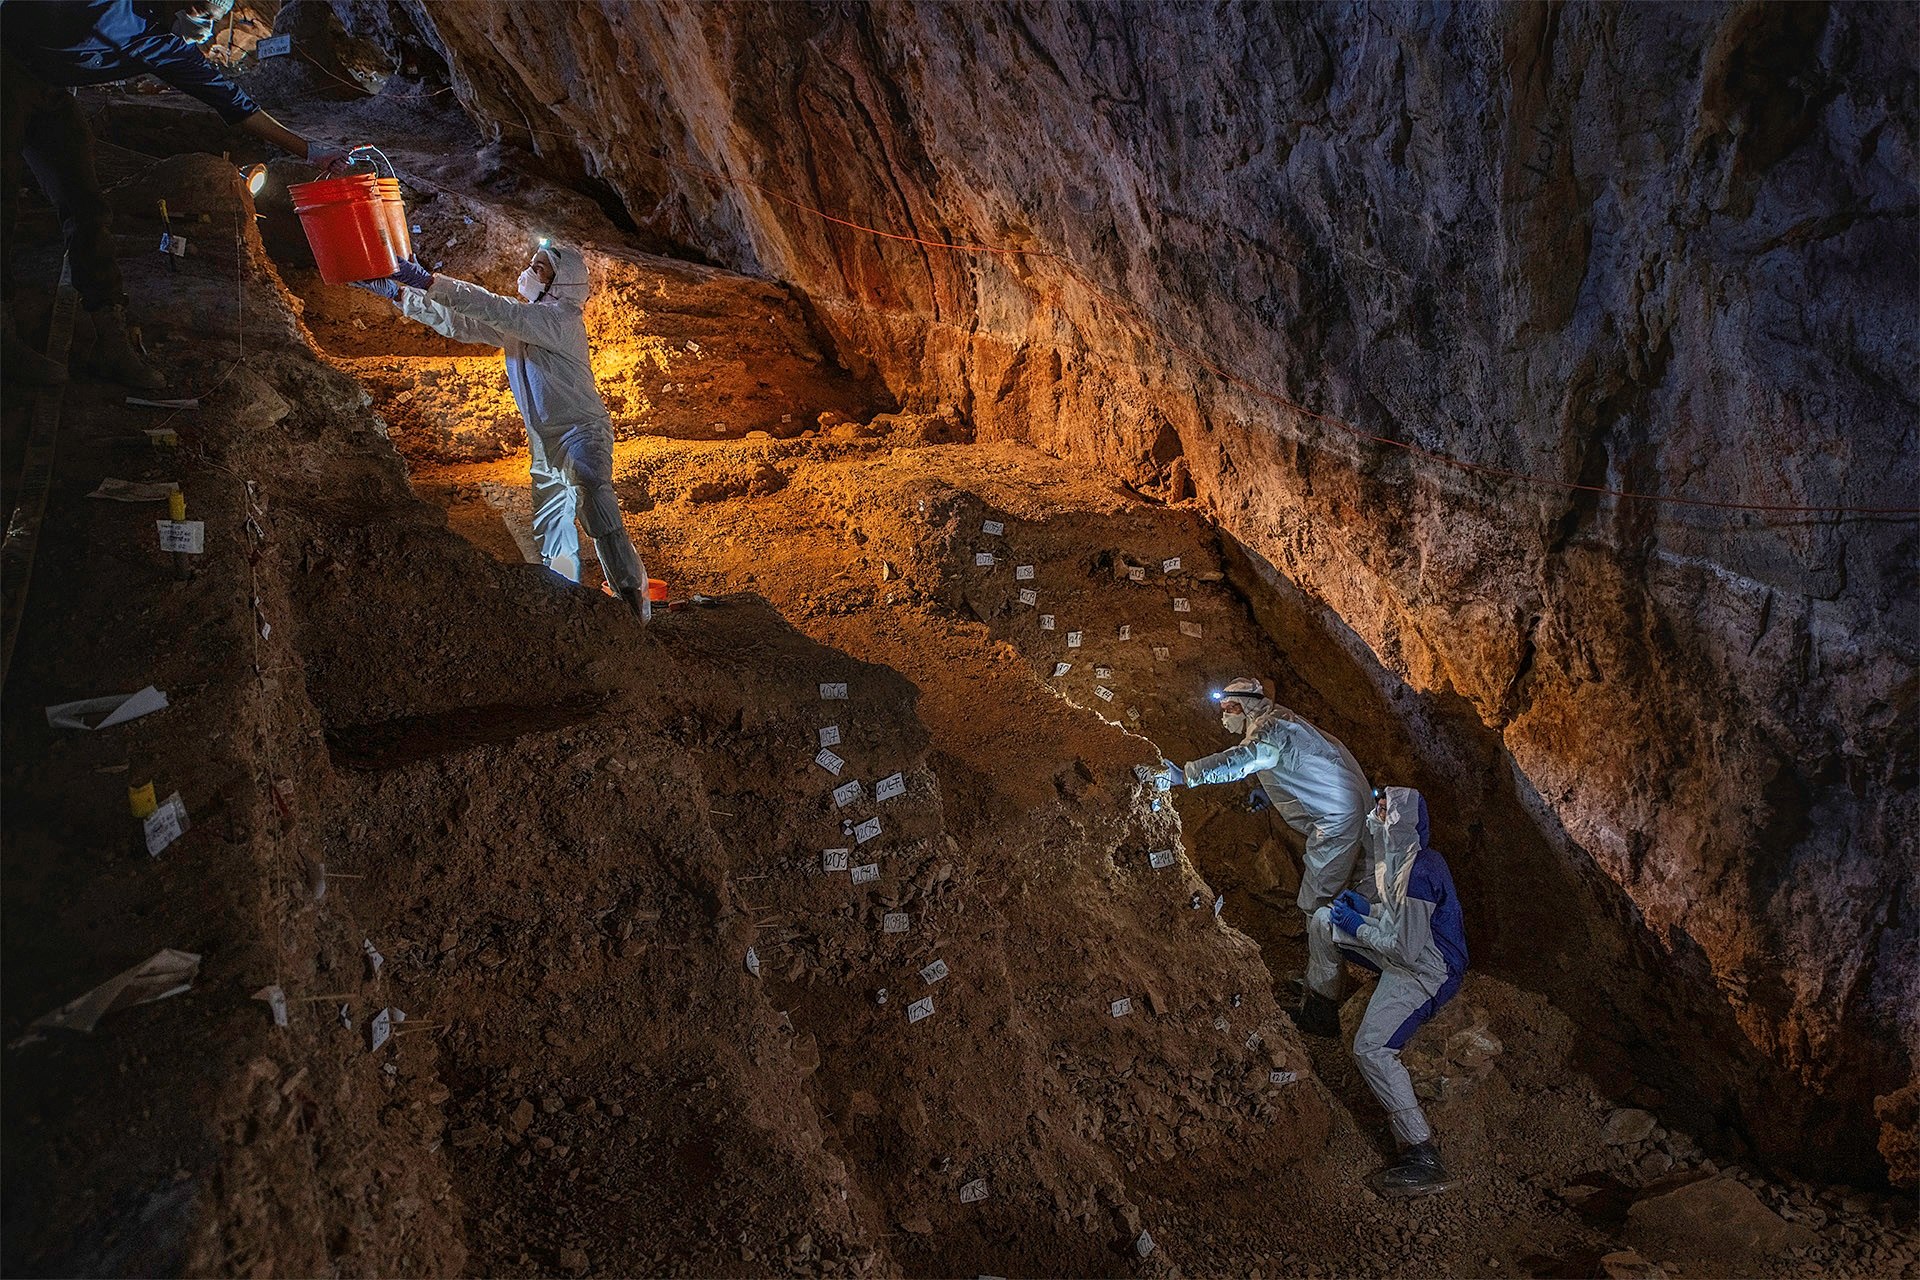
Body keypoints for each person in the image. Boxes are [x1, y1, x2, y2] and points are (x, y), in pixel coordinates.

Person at [1, 0, 353, 387]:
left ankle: (111, 339)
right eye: (204, 18)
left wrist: (310, 150)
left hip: (51, 89)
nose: (208, 30)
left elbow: (230, 99)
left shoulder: (164, 45)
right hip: (7, 68)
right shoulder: (107, 6)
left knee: (87, 206)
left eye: (216, 20)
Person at [360, 244, 653, 619]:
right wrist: (403, 295)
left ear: (562, 282)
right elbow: (463, 323)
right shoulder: (528, 322)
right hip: (546, 441)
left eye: (540, 269)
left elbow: (493, 308)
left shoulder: (559, 319)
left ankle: (632, 601)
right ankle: (564, 602)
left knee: (597, 506)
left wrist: (427, 281)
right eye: (532, 265)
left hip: (581, 433)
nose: (530, 272)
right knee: (552, 526)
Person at [1300, 784, 1467, 1196]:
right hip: (1406, 948)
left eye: (1384, 809)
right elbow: (1398, 919)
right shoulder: (1401, 856)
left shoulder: (1420, 871)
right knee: (1323, 920)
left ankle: (1422, 1152)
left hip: (1427, 969)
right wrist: (1366, 912)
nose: (1378, 814)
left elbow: (1408, 950)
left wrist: (1360, 927)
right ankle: (1320, 1011)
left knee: (1371, 1049)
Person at [1157, 676, 1372, 914]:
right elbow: (1298, 767)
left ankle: (1325, 947)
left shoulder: (1269, 727)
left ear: (1242, 706)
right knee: (1360, 884)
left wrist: (1185, 775)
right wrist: (1271, 794)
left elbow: (1241, 760)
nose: (1224, 717)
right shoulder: (1282, 717)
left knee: (1317, 902)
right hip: (1349, 806)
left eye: (1228, 710)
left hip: (1337, 821)